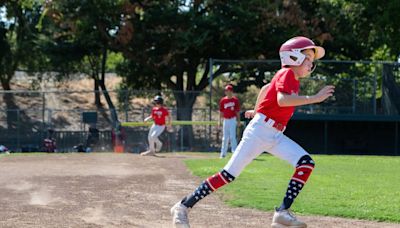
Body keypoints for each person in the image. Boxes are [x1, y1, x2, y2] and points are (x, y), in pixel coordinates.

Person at [170, 36, 335, 228]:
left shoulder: (290, 78)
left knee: (305, 163)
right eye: (308, 58)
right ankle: (182, 206)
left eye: (312, 61)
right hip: (259, 133)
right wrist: (314, 98)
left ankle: (282, 212)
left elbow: (266, 88)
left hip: (274, 134)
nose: (311, 64)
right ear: (293, 57)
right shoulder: (287, 73)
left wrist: (258, 110)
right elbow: (282, 100)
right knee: (228, 175)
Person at [218, 84, 241, 158]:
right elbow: (221, 111)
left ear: (231, 91)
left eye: (228, 90)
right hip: (226, 120)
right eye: (226, 91)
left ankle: (234, 153)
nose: (227, 92)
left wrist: (238, 121)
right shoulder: (223, 100)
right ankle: (223, 154)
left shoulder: (235, 100)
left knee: (232, 136)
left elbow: (237, 112)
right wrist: (219, 120)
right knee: (225, 137)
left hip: (232, 119)